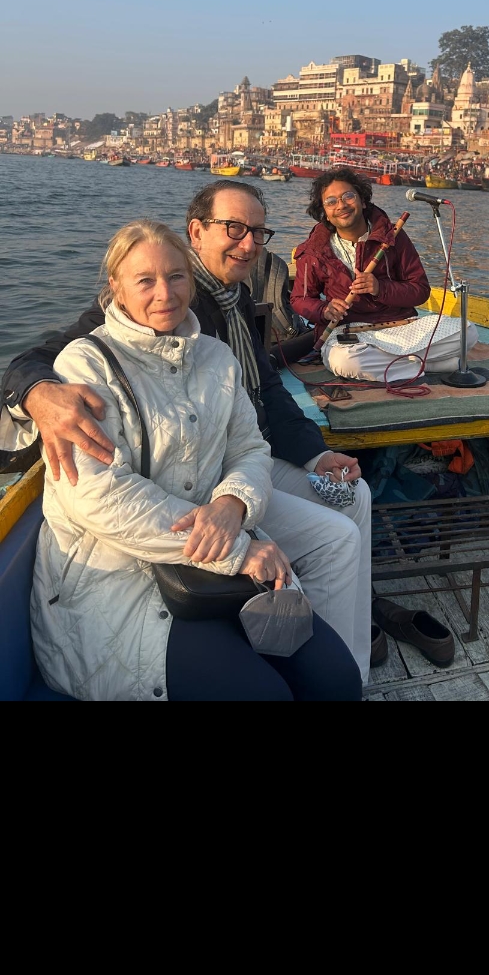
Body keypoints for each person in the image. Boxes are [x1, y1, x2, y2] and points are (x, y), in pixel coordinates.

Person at [1, 181, 374, 679]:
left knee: (354, 497)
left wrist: (312, 455)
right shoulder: (157, 300)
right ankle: (319, 652)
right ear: (196, 231)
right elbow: (43, 356)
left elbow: (265, 389)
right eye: (234, 229)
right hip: (196, 488)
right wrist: (37, 392)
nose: (249, 244)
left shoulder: (234, 299)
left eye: (258, 232)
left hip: (240, 469)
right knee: (336, 533)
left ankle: (345, 644)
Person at [290, 168, 480, 383]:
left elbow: (420, 290)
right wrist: (324, 310)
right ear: (324, 212)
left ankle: (401, 365)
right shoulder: (314, 250)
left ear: (363, 201)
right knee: (345, 362)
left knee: (467, 332)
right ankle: (429, 365)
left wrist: (380, 288)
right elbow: (299, 299)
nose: (341, 206)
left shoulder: (393, 236)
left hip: (401, 325)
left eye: (348, 196)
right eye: (331, 201)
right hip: (349, 334)